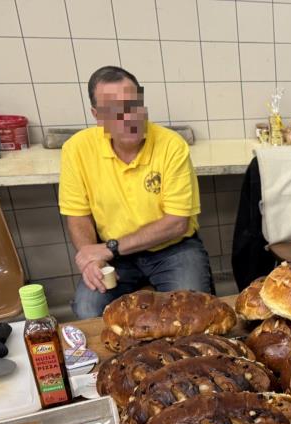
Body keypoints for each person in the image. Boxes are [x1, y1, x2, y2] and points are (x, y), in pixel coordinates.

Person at [59, 66, 212, 318]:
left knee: (192, 313)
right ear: (97, 115)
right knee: (88, 308)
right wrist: (92, 258)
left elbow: (177, 223)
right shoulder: (76, 149)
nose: (128, 117)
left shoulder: (171, 145)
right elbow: (78, 216)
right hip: (115, 258)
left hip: (173, 249)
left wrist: (109, 248)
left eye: (133, 105)